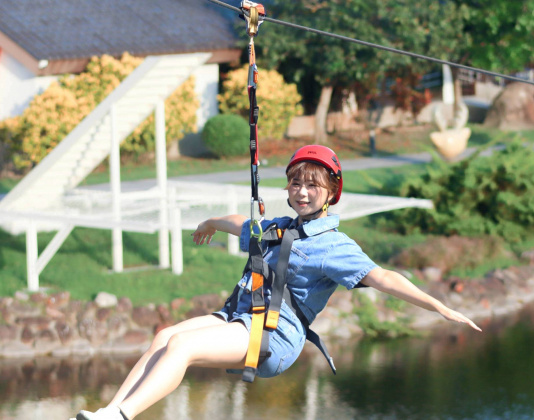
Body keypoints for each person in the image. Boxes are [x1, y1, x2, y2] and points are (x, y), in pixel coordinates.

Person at [76, 145, 481, 420]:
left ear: (331, 193)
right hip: (238, 315)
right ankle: (110, 411)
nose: (302, 192)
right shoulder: (279, 226)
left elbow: (384, 277)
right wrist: (214, 222)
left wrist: (440, 306)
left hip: (273, 335)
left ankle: (122, 416)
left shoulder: (333, 246)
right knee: (165, 335)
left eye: (312, 186)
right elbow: (244, 225)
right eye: (296, 184)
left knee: (182, 346)